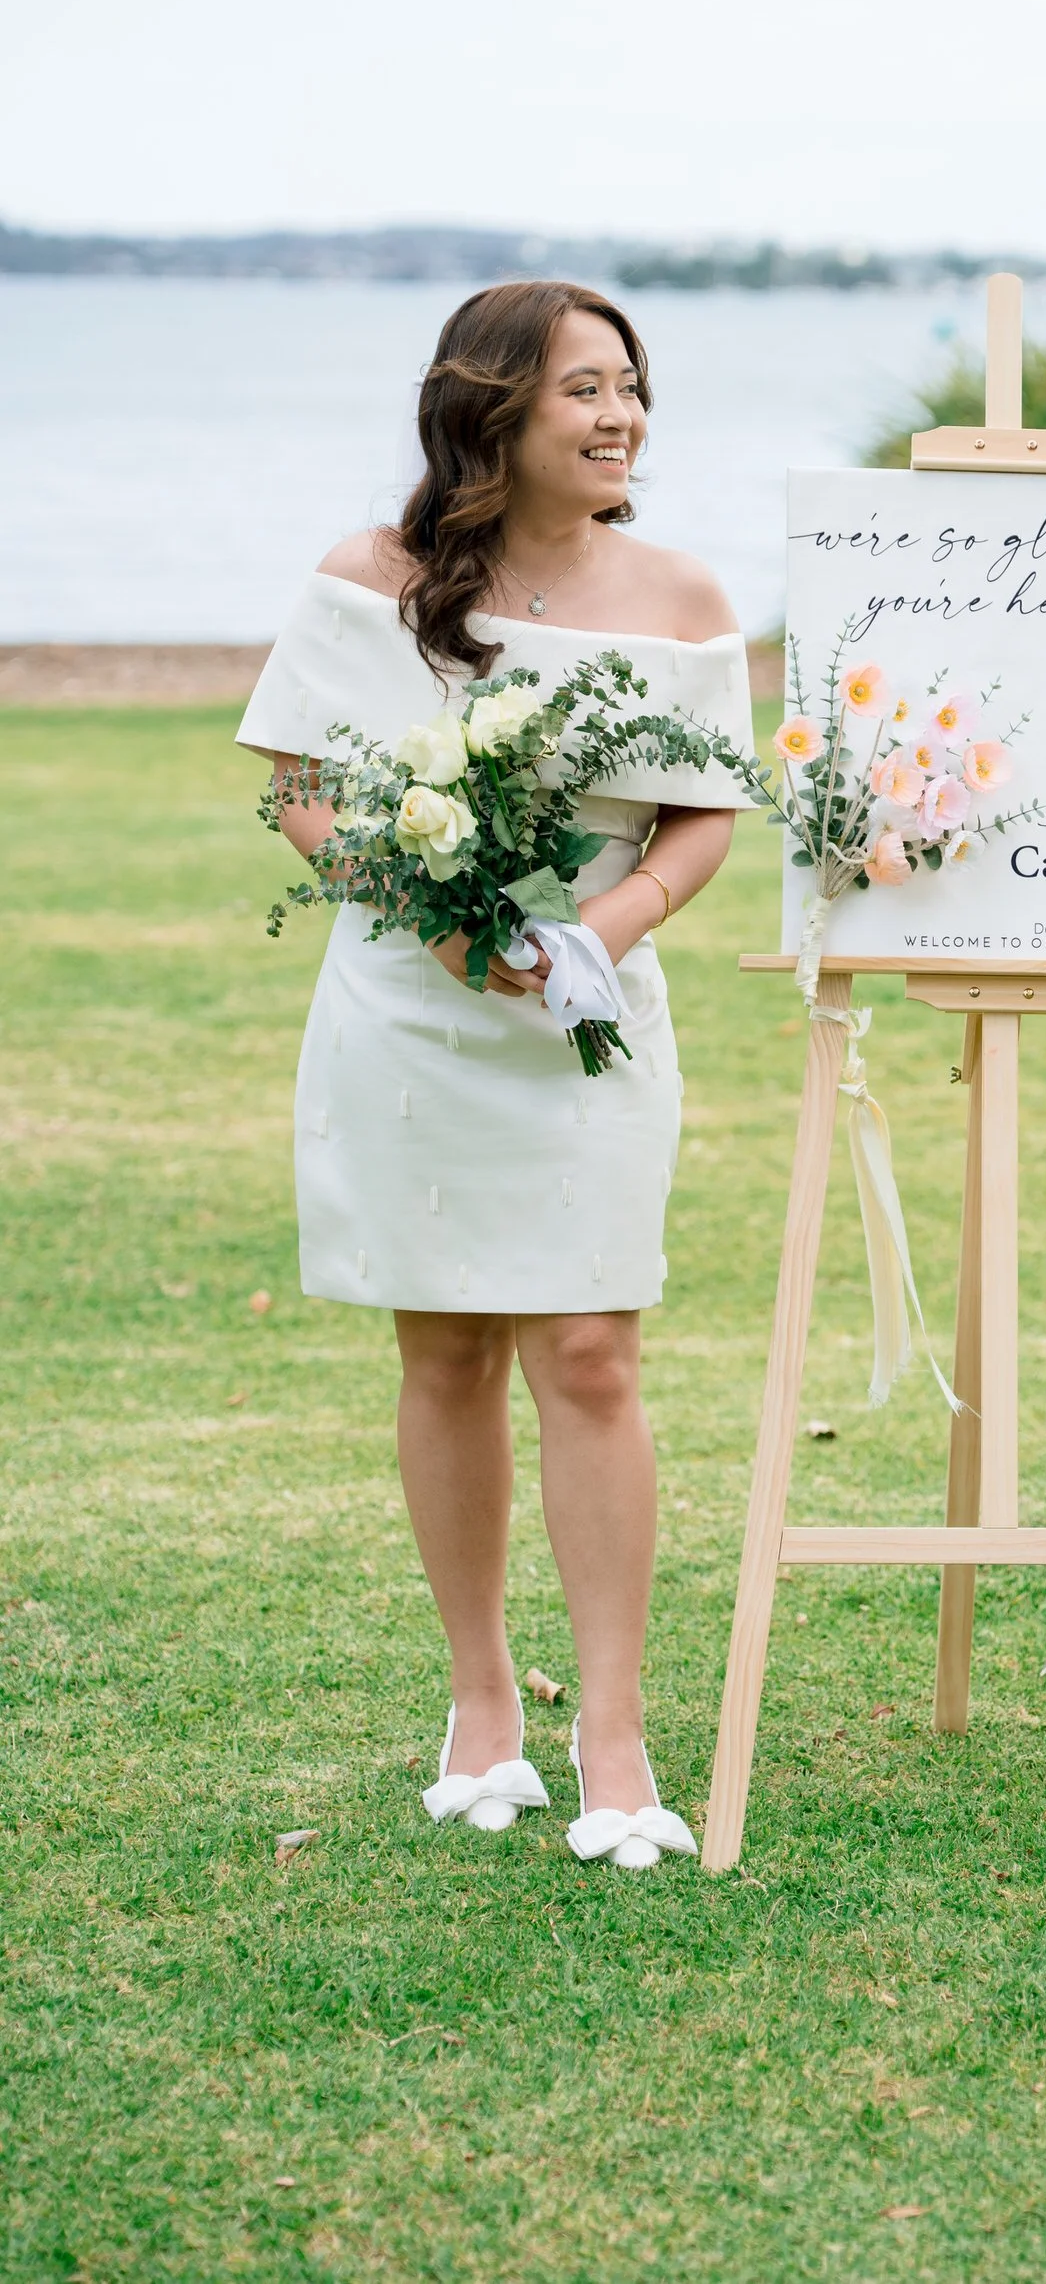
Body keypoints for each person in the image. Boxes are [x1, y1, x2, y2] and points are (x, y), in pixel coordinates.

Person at [237, 281, 752, 1872]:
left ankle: (613, 1727)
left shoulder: (675, 593)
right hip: (410, 1009)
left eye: (633, 389)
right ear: (496, 413)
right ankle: (479, 1702)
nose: (622, 418)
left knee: (590, 1345)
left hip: (589, 1015)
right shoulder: (369, 581)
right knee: (446, 1344)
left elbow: (704, 817)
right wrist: (441, 919)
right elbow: (303, 788)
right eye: (586, 391)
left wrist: (594, 930)